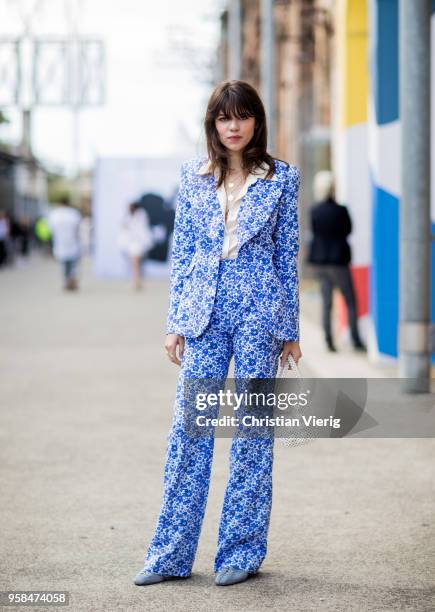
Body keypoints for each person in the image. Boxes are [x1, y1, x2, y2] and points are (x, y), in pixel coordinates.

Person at [133, 80, 302, 588]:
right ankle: (169, 554)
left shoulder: (282, 179)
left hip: (258, 311)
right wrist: (175, 322)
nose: (232, 127)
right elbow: (183, 252)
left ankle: (241, 551)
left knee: (253, 429)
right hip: (203, 313)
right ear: (213, 123)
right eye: (223, 118)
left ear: (256, 121)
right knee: (190, 429)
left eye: (242, 117)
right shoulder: (193, 176)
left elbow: (286, 254)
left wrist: (289, 329)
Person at [307, 170, 366, 352]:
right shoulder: (341, 210)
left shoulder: (314, 211)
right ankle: (355, 340)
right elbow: (348, 230)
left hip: (320, 263)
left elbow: (315, 231)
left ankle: (329, 341)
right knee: (350, 301)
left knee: (326, 303)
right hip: (339, 261)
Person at [47, 195, 82, 291]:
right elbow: (77, 229)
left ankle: (67, 280)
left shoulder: (54, 214)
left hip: (60, 242)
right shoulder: (74, 213)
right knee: (72, 263)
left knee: (64, 263)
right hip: (72, 241)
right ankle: (71, 280)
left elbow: (51, 230)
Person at [117, 202, 153, 291]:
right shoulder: (131, 216)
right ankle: (138, 282)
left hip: (137, 243)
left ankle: (136, 282)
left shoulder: (140, 215)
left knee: (135, 264)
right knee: (136, 265)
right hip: (134, 243)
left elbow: (136, 229)